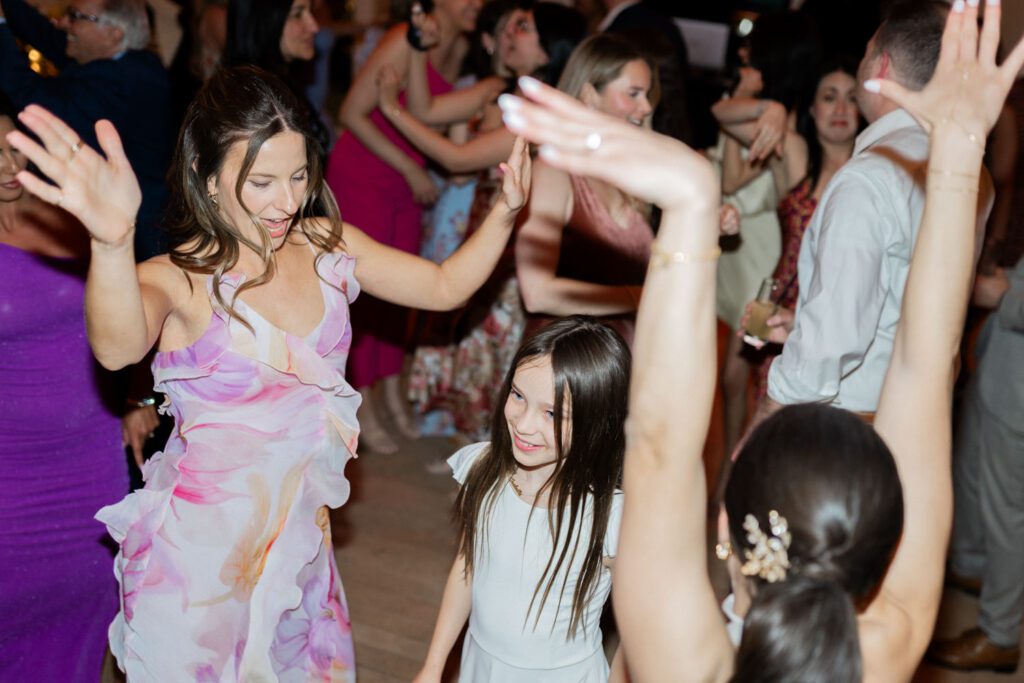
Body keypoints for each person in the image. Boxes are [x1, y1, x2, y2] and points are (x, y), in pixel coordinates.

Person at [498, 0, 1024, 678]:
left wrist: (689, 204)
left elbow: (658, 444)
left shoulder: (683, 660)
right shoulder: (891, 648)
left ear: (723, 533)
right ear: (883, 551)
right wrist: (958, 158)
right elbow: (925, 364)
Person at [5, 65, 530, 680]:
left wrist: (506, 211)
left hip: (300, 559)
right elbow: (117, 349)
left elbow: (442, 287)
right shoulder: (176, 280)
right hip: (197, 572)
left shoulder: (324, 243)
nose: (287, 201)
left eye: (300, 175)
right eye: (261, 182)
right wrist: (114, 242)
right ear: (207, 177)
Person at [750, 0, 991, 430]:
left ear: (879, 67)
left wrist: (769, 416)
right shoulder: (971, 169)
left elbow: (834, 340)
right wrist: (805, 319)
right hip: (924, 420)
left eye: (863, 53)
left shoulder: (869, 179)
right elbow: (899, 298)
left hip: (851, 426)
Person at [0, 93, 135, 681]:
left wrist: (138, 399)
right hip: (9, 480)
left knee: (84, 613)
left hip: (87, 470)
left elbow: (130, 314)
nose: (7, 168)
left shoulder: (74, 215)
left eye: (9, 149)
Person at [415, 316, 628, 682]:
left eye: (551, 413)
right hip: (481, 665)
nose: (524, 424)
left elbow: (640, 623)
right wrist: (434, 665)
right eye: (518, 395)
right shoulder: (483, 469)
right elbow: (468, 567)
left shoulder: (609, 517)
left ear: (597, 422)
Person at [324, 0, 480, 453]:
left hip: (410, 183)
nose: (477, 5)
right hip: (366, 174)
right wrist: (412, 170)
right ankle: (360, 400)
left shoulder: (462, 47)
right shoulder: (401, 39)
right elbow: (351, 112)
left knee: (401, 296)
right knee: (362, 294)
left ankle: (391, 390)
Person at [709, 9, 822, 455]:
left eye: (752, 50)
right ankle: (727, 476)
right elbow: (726, 137)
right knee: (736, 374)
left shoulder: (796, 132)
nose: (742, 52)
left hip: (770, 266)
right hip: (761, 265)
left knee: (746, 374)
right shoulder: (773, 116)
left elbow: (733, 179)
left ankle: (734, 475)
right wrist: (759, 101)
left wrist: (761, 106)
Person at [0, 0, 170, 260]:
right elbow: (48, 36)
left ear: (114, 33)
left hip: (136, 232)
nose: (63, 23)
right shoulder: (119, 61)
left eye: (76, 17)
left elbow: (30, 96)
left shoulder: (124, 81)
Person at [515, 33, 655, 343]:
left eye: (647, 94)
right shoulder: (553, 171)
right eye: (633, 93)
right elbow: (537, 294)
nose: (645, 106)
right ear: (590, 94)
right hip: (569, 355)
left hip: (621, 350)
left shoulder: (627, 172)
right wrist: (635, 297)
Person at [739, 56, 861, 400]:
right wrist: (772, 108)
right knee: (765, 404)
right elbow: (723, 114)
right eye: (829, 97)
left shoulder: (871, 174)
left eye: (852, 98)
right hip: (777, 306)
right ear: (811, 107)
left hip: (833, 315)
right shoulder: (797, 158)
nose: (840, 108)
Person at [927, 255, 1024, 673]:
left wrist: (1008, 297)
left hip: (1019, 392)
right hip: (1001, 366)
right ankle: (972, 566)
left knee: (1008, 512)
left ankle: (1000, 635)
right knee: (970, 473)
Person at [223, 0, 331, 155]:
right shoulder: (252, 98)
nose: (314, 26)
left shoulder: (281, 81)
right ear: (264, 19)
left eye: (310, 11)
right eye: (297, 14)